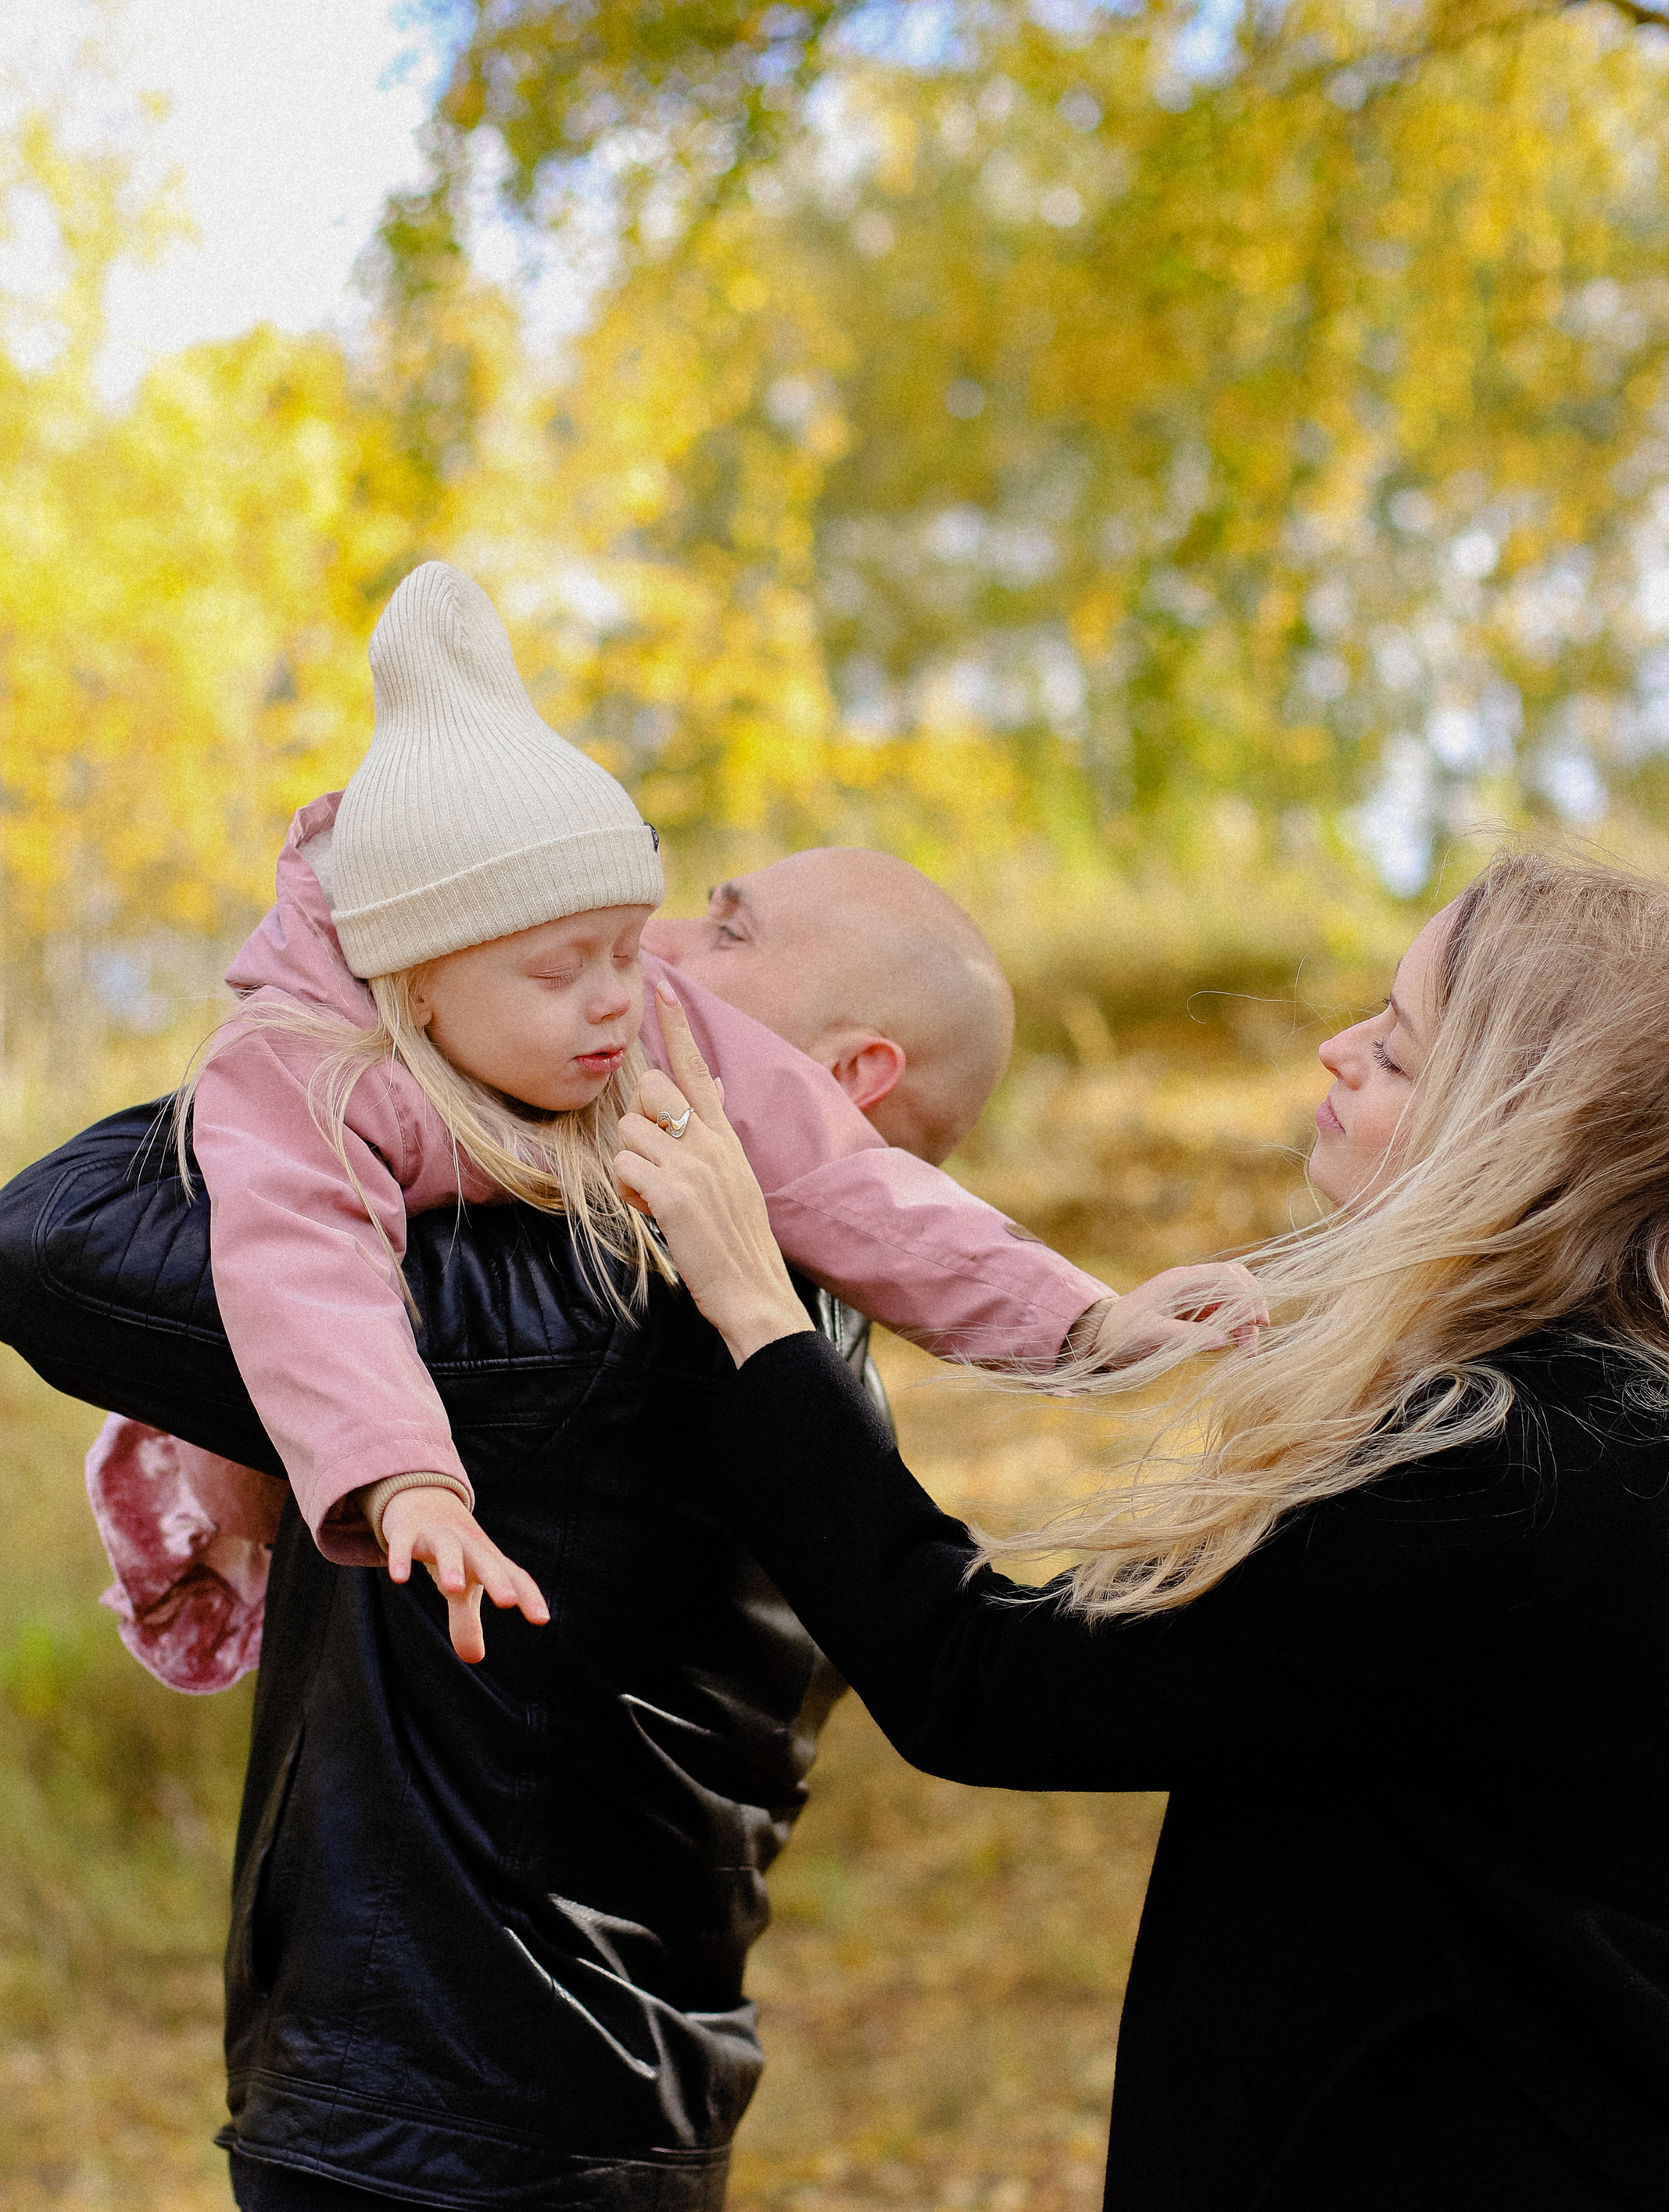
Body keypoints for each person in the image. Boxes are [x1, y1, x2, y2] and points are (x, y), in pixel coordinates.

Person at [0, 569, 1254, 2212]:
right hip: (628, 2204)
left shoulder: (553, 1303)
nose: (655, 973)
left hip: (431, 2199)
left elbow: (50, 1232)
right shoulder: (798, 1385)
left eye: (722, 938)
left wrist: (339, 1015)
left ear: (840, 1090)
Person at [614, 844, 1669, 2212]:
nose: (1336, 1053)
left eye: (1399, 1048)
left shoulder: (1506, 1476)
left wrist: (750, 1309)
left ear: (1517, 1120)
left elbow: (993, 1684)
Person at [148, 557, 1236, 1680]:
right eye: (570, 967)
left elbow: (853, 1181)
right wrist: (405, 1472)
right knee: (227, 1470)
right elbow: (304, 1263)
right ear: (420, 981)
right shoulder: (308, 1065)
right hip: (283, 1424)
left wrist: (1083, 1325)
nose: (634, 983)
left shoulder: (649, 1042)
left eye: (641, 940)